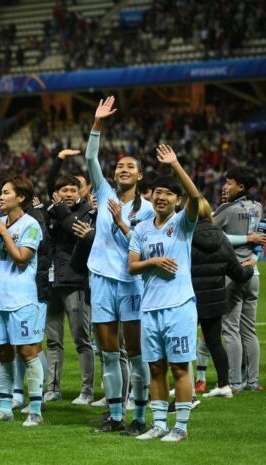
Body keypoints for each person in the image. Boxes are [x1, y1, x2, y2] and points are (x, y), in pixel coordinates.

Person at [85, 96, 155, 435]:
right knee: (109, 353)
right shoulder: (105, 193)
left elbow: (142, 250)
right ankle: (115, 416)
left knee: (137, 354)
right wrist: (98, 123)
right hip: (100, 280)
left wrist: (123, 224)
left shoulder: (149, 210)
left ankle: (140, 417)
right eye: (119, 167)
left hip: (131, 283)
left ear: (140, 175)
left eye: (129, 167)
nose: (122, 170)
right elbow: (90, 157)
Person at [128, 144, 201, 442]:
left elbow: (196, 197)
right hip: (150, 307)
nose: (161, 197)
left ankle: (180, 428)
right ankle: (159, 424)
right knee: (155, 367)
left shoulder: (183, 224)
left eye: (168, 193)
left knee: (179, 366)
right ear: (151, 195)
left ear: (177, 200)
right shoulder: (141, 229)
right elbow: (132, 267)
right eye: (157, 192)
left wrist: (175, 165)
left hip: (179, 305)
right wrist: (153, 261)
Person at [0, 176, 46, 427]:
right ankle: (5, 407)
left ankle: (36, 410)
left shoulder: (31, 225)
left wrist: (3, 231)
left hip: (22, 299)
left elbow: (20, 259)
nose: (0, 198)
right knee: (4, 354)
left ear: (21, 198)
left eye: (6, 193)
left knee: (28, 353)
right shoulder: (0, 223)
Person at [190, 197, 254, 399]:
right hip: (215, 299)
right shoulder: (221, 237)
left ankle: (187, 386)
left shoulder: (184, 235)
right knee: (214, 342)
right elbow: (238, 274)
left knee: (182, 343)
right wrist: (250, 267)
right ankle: (224, 385)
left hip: (188, 298)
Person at [44, 163, 96, 405]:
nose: (68, 194)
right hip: (53, 283)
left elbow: (74, 228)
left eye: (72, 190)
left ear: (80, 192)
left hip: (75, 283)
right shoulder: (50, 212)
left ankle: (87, 391)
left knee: (81, 339)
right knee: (53, 341)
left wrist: (59, 210)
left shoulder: (87, 213)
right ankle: (52, 387)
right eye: (63, 190)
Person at [212, 167, 265, 392]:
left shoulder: (226, 209)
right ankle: (252, 382)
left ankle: (233, 382)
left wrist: (243, 238)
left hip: (232, 274)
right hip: (253, 273)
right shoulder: (258, 207)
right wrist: (253, 255)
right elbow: (260, 237)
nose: (225, 186)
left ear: (241, 187)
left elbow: (211, 233)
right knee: (249, 330)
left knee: (231, 329)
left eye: (230, 182)